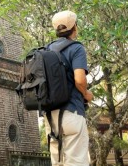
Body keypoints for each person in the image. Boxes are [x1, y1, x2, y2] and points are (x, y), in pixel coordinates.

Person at [44, 10, 94, 166]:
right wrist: (86, 94)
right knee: (76, 161)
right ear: (75, 27)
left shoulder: (46, 50)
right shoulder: (76, 48)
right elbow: (79, 79)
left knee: (58, 162)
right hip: (72, 111)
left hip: (50, 116)